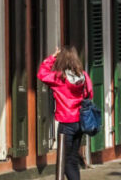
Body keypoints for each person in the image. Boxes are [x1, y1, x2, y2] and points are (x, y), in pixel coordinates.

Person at [37, 46, 94, 180]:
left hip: (66, 123)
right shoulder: (83, 76)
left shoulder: (59, 78)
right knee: (73, 159)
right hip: (80, 122)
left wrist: (52, 58)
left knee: (65, 160)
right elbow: (90, 93)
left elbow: (42, 74)